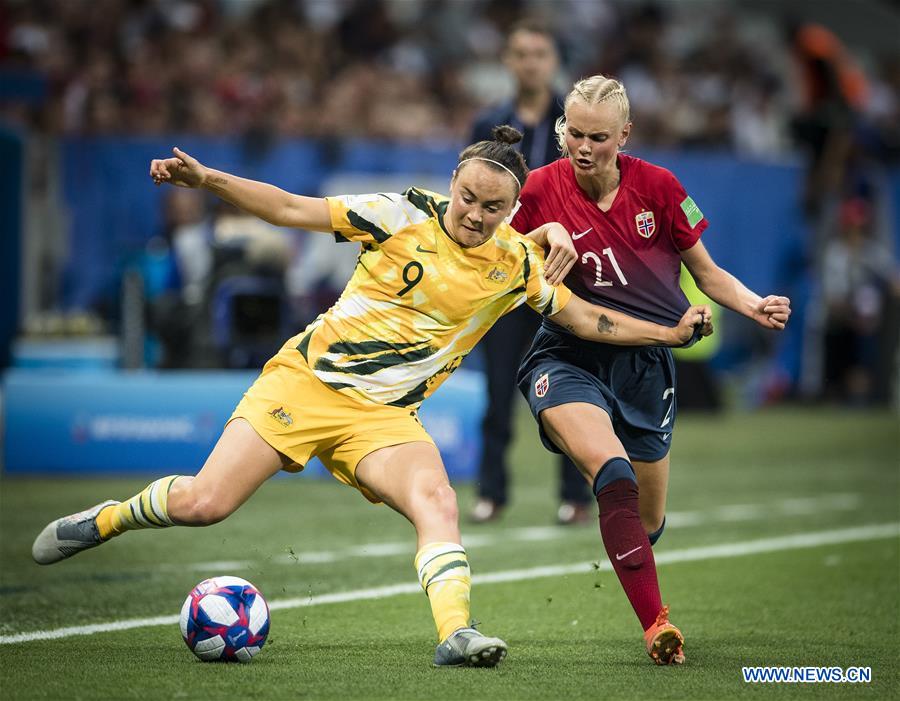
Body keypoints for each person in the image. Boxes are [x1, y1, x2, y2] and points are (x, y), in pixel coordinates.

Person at [32, 127, 712, 669]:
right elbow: (291, 208)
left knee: (438, 502)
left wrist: (667, 330)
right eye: (468, 197)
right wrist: (208, 179)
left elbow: (582, 317)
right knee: (204, 504)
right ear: (452, 181)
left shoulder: (518, 263)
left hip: (384, 420)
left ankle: (457, 633)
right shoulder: (396, 213)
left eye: (494, 206)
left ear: (514, 210)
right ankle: (110, 519)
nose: (476, 214)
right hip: (304, 385)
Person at [512, 76, 792, 665]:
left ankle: (628, 546)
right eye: (574, 134)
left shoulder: (661, 188)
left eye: (598, 137)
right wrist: (541, 231)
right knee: (611, 472)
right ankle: (657, 625)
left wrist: (753, 303)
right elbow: (497, 259)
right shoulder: (539, 188)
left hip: (646, 365)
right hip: (566, 354)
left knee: (646, 518)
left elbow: (708, 275)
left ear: (625, 135)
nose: (583, 148)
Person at [468, 19, 591, 525]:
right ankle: (491, 494)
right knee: (498, 392)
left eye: (539, 54)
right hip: (503, 275)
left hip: (561, 274)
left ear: (553, 61)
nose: (530, 63)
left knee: (565, 389)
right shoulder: (488, 123)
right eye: (521, 54)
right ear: (508, 61)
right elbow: (469, 189)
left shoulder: (575, 121)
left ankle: (574, 497)